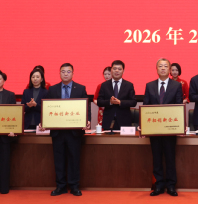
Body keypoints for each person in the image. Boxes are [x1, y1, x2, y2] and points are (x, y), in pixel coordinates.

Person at [44, 63, 90, 196]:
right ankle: (61, 186)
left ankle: (74, 186)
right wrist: (44, 122)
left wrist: (87, 121)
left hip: (74, 131)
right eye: (63, 71)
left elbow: (86, 107)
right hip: (57, 131)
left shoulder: (80, 88)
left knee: (74, 159)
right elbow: (47, 108)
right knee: (59, 160)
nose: (65, 74)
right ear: (59, 73)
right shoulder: (52, 89)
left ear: (73, 73)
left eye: (68, 71)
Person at [143, 58, 183, 197]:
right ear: (157, 69)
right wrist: (144, 127)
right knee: (157, 158)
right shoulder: (150, 86)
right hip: (154, 129)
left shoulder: (176, 86)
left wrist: (179, 126)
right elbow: (146, 107)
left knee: (170, 157)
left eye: (166, 66)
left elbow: (178, 107)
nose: (163, 68)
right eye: (160, 66)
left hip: (170, 129)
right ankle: (159, 185)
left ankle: (171, 185)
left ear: (170, 69)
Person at [97, 60, 137, 130]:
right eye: (114, 69)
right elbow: (99, 101)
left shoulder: (129, 85)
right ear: (111, 70)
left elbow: (133, 102)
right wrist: (110, 102)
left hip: (124, 121)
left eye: (119, 69)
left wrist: (120, 102)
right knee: (106, 137)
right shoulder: (104, 85)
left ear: (123, 71)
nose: (117, 71)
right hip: (108, 121)